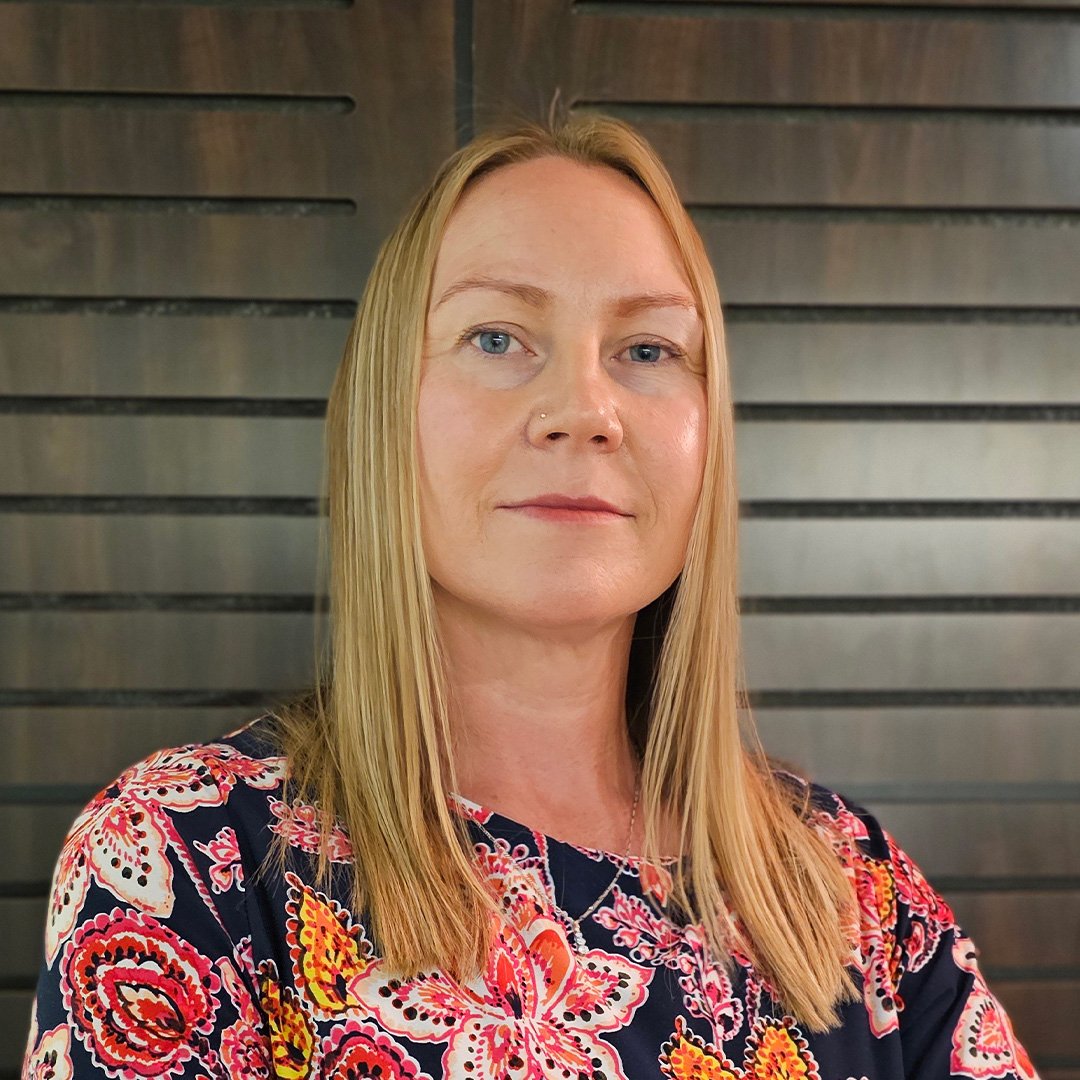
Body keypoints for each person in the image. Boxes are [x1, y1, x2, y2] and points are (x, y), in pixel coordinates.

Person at [23, 110, 1037, 1080]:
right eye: (497, 337)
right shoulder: (188, 864)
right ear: (386, 412)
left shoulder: (847, 883)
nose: (584, 410)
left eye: (647, 350)